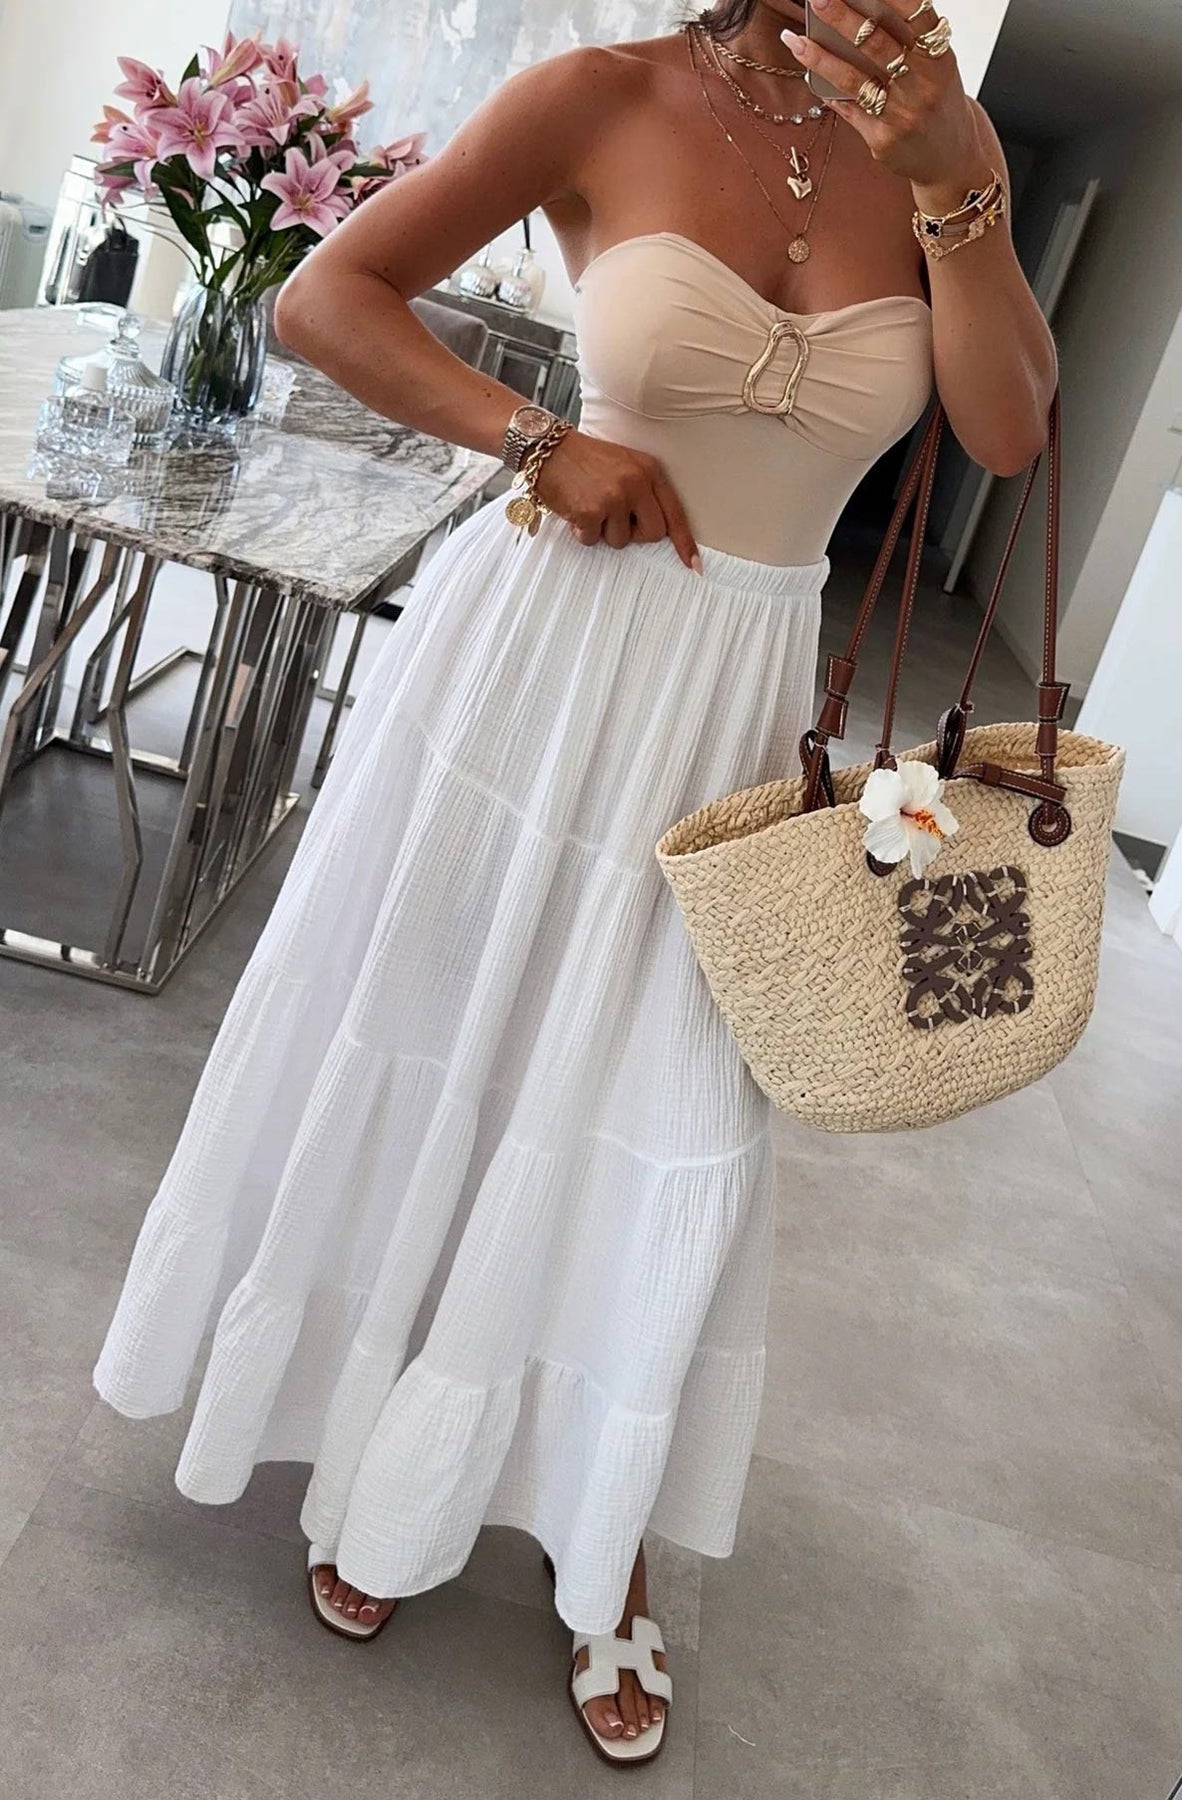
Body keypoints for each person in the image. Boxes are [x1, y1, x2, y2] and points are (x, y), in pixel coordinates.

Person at [94, 0, 1057, 1768]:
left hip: (736, 711)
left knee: (667, 1109)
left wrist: (951, 185)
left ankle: (599, 1538)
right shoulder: (600, 96)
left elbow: (1004, 434)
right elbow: (327, 299)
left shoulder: (946, 145)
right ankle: (375, 1453)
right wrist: (533, 438)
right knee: (443, 1041)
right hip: (531, 668)